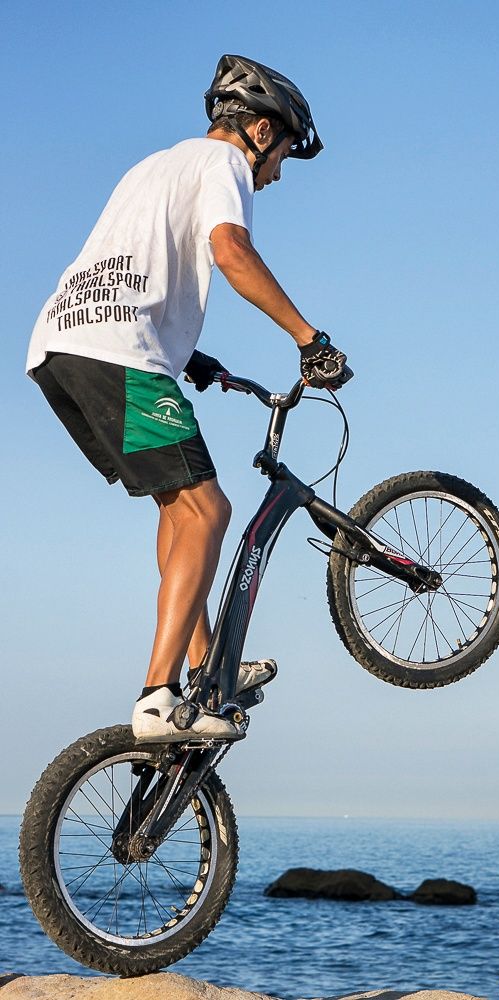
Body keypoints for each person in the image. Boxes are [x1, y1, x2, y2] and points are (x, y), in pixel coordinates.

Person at [26, 54, 350, 743]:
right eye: (284, 151)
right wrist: (307, 337)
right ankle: (158, 698)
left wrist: (189, 356)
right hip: (118, 353)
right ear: (260, 130)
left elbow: (128, 266)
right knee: (210, 508)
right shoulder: (225, 166)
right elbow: (229, 251)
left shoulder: (151, 166)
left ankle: (203, 669)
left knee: (180, 509)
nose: (280, 172)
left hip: (62, 348)